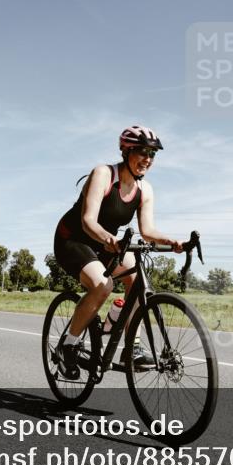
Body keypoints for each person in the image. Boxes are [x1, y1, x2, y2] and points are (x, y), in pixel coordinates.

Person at [53, 126, 183, 378]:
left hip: (107, 243)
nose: (147, 159)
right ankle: (67, 346)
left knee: (138, 282)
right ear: (125, 150)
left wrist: (172, 241)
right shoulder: (103, 174)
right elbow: (87, 221)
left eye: (152, 154)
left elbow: (147, 231)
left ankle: (129, 346)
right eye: (142, 151)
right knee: (103, 285)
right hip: (73, 239)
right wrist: (108, 238)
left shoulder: (145, 190)